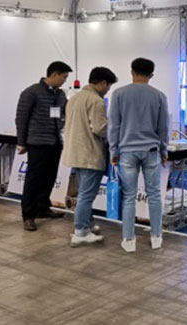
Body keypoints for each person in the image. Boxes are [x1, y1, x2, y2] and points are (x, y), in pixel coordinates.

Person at [108, 58, 169, 253]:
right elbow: (163, 128)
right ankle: (156, 237)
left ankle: (129, 240)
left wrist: (113, 151)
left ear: (132, 71)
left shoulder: (118, 94)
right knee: (154, 195)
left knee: (129, 197)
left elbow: (114, 126)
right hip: (151, 151)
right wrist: (164, 150)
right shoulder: (159, 96)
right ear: (151, 75)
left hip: (127, 151)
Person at [62, 67, 118, 247]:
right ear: (103, 83)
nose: (107, 90)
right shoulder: (96, 101)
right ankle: (81, 232)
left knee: (83, 193)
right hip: (89, 154)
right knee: (86, 195)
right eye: (108, 86)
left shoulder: (74, 98)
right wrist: (115, 132)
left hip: (75, 152)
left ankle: (88, 223)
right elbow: (100, 128)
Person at [16, 61, 72, 231]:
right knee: (34, 179)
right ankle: (28, 215)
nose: (65, 80)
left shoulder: (60, 94)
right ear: (54, 74)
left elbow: (65, 113)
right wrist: (21, 142)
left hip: (55, 142)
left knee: (50, 177)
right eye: (64, 77)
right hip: (37, 142)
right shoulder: (31, 92)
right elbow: (21, 119)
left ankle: (43, 208)